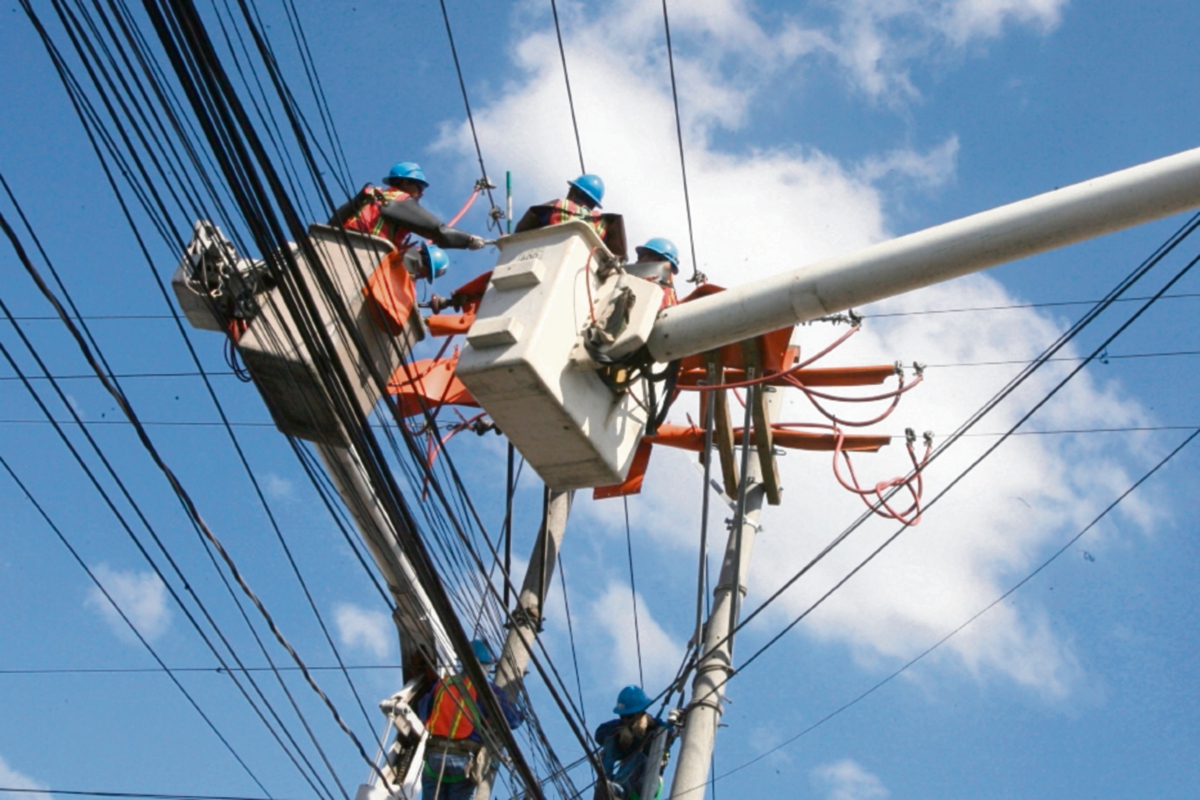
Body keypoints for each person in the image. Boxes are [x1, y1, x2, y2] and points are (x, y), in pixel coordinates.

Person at [418, 640, 522, 800]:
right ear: (484, 665)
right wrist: (521, 714)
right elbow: (511, 720)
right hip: (462, 759)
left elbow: (423, 712)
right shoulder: (488, 691)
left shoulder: (442, 685)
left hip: (434, 758)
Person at [329, 161, 486, 255]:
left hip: (336, 243)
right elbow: (436, 229)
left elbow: (335, 220)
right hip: (366, 251)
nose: (422, 193)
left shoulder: (370, 195)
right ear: (405, 183)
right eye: (419, 187)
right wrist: (468, 240)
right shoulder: (400, 200)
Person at [593, 686, 676, 800]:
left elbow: (670, 733)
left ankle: (617, 792)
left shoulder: (653, 728)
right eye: (623, 716)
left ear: (641, 711)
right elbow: (599, 733)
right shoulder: (620, 725)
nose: (626, 720)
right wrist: (620, 730)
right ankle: (604, 788)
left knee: (638, 757)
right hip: (625, 784)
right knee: (610, 740)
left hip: (647, 784)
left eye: (630, 716)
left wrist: (650, 721)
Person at [513, 173, 608, 239]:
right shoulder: (600, 224)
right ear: (594, 204)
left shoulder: (558, 205)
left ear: (573, 191)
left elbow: (522, 229)